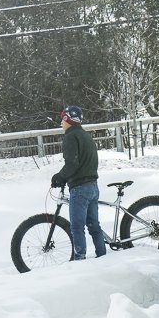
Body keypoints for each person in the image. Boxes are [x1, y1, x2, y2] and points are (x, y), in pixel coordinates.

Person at [51, 105, 106, 261]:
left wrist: (60, 177)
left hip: (80, 188)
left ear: (68, 119)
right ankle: (102, 256)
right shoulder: (86, 136)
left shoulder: (70, 137)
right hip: (93, 186)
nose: (61, 122)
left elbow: (72, 163)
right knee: (94, 226)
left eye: (63, 118)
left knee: (77, 227)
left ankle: (79, 259)